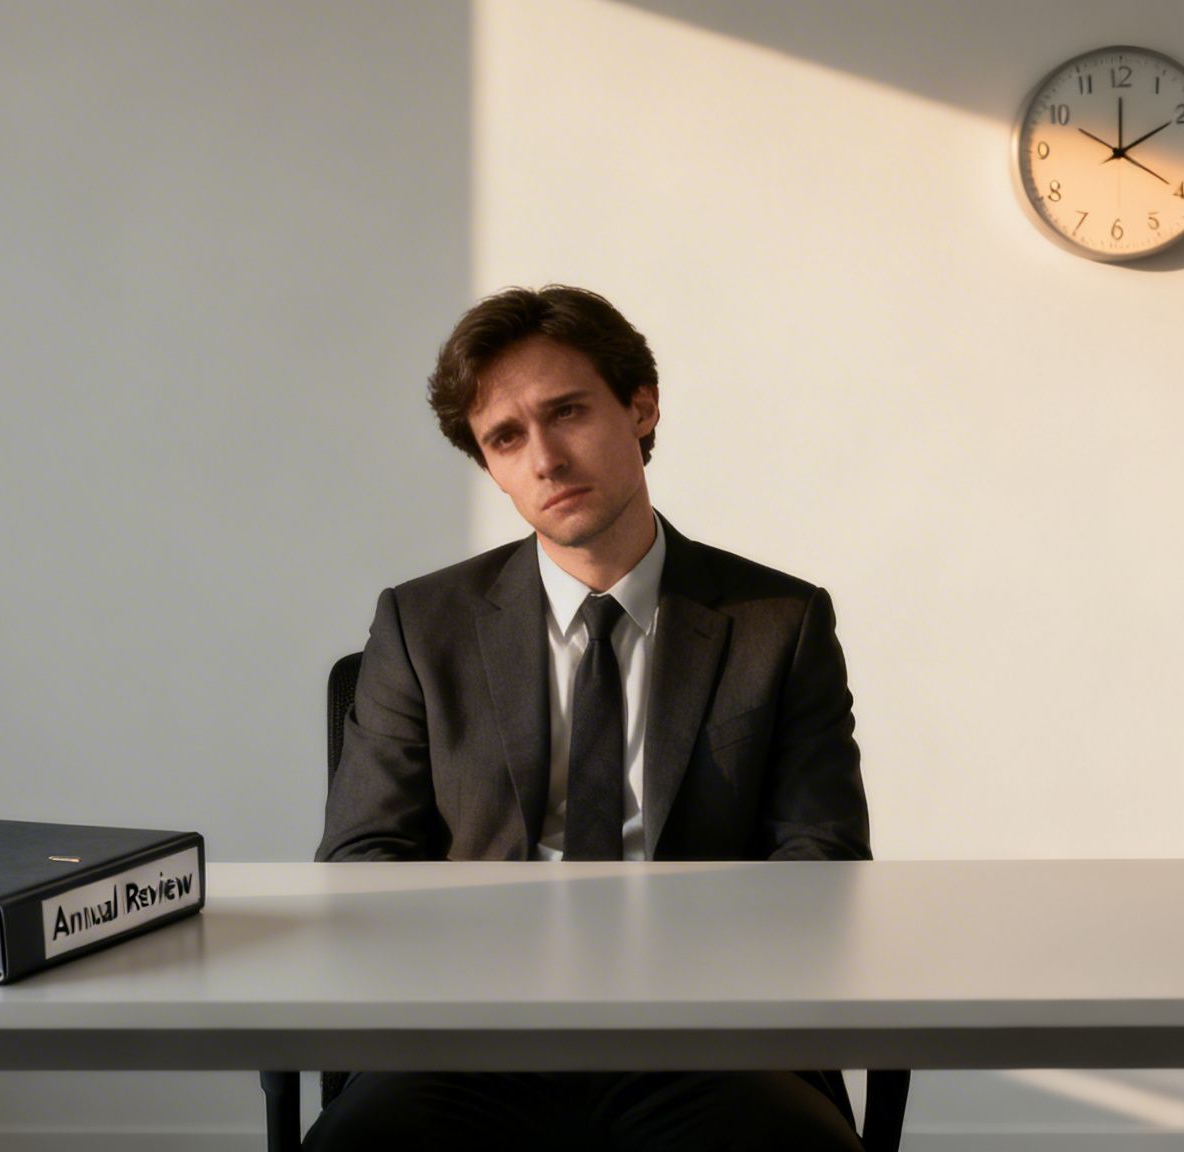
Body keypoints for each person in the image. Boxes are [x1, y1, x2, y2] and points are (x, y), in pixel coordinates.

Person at [307, 285, 876, 1151]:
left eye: (566, 412)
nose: (544, 458)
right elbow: (361, 862)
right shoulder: (422, 627)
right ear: (490, 467)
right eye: (506, 438)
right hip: (470, 1040)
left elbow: (823, 862)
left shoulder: (779, 623)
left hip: (709, 1039)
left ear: (641, 406)